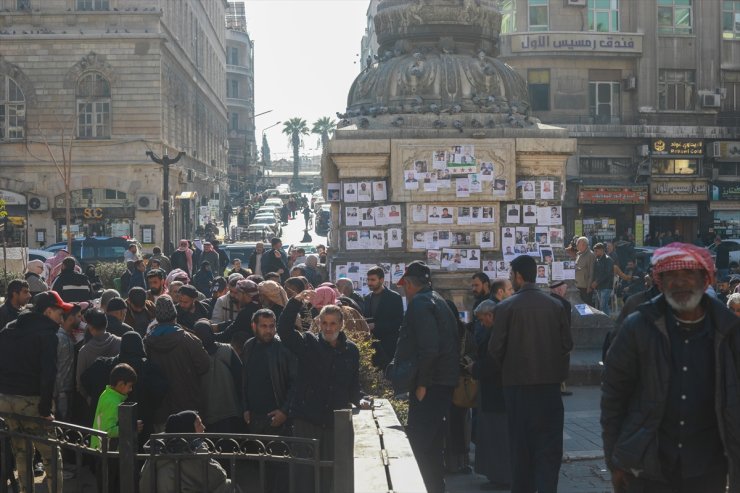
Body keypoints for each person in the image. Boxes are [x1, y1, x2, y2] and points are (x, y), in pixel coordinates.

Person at [602, 242, 740, 493]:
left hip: (709, 469)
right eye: (672, 276)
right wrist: (615, 459)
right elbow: (614, 397)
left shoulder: (728, 331)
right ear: (660, 282)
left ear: (706, 280)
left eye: (689, 274)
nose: (680, 282)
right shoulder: (638, 327)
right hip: (649, 468)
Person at [488, 255, 572, 493]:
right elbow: (567, 345)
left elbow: (495, 350)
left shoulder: (505, 307)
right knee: (548, 451)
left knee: (520, 452)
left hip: (517, 389)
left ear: (519, 276)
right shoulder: (555, 306)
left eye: (511, 274)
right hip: (549, 389)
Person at [277, 289, 371, 493]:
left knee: (332, 474)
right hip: (307, 419)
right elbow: (284, 330)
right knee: (305, 475)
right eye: (324, 323)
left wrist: (360, 399)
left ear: (341, 324)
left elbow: (353, 383)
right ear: (319, 324)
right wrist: (295, 302)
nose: (328, 328)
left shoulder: (351, 350)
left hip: (334, 422)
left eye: (333, 323)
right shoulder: (308, 343)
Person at [392, 261, 459, 493]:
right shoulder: (437, 299)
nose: (405, 292)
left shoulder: (420, 303)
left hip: (431, 384)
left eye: (405, 287)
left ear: (409, 284)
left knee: (420, 445)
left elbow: (429, 349)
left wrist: (422, 384)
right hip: (441, 380)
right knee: (431, 445)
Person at [0, 291, 69, 491]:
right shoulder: (47, 335)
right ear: (48, 312)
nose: (61, 318)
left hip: (6, 400)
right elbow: (48, 375)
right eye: (59, 312)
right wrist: (46, 410)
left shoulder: (9, 329)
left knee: (21, 451)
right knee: (51, 457)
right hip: (32, 401)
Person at [81, 331, 167, 443]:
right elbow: (161, 390)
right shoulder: (149, 369)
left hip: (107, 444)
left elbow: (85, 379)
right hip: (142, 426)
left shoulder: (103, 365)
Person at [144, 296, 210, 430]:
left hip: (161, 409)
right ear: (175, 316)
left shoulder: (147, 342)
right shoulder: (188, 339)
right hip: (189, 408)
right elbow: (204, 366)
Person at [139, 410, 236, 493]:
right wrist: (202, 448)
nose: (203, 427)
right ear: (188, 429)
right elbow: (219, 476)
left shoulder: (158, 452)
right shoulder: (191, 454)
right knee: (228, 485)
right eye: (199, 424)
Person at [470, 299, 511, 490]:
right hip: (497, 392)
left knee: (498, 438)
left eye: (482, 319)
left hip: (496, 392)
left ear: (490, 316)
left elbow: (492, 362)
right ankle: (499, 475)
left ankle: (501, 476)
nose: (481, 323)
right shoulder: (497, 332)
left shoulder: (496, 335)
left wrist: (475, 368)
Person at [90, 363, 141, 492]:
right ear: (120, 384)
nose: (131, 390)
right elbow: (108, 431)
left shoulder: (108, 394)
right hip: (106, 450)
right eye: (129, 386)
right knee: (109, 485)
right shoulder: (112, 402)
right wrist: (131, 428)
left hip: (103, 449)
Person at [192, 320, 244, 433]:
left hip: (206, 415)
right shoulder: (227, 350)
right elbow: (241, 379)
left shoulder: (194, 356)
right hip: (231, 412)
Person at [77, 308, 122, 408]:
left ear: (90, 327)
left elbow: (80, 384)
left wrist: (90, 399)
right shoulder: (120, 343)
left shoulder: (84, 352)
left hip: (96, 404)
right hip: (120, 400)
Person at [363, 266, 404, 369]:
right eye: (368, 280)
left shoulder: (394, 297)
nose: (369, 283)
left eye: (373, 280)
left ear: (381, 280)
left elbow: (398, 322)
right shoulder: (367, 298)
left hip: (388, 347)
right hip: (371, 347)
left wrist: (376, 326)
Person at [568, 236, 596, 305]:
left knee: (587, 306)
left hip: (585, 286)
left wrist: (589, 287)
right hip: (578, 285)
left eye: (578, 243)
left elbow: (591, 272)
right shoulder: (579, 254)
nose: (576, 245)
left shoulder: (590, 255)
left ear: (584, 244)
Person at [591, 243, 615, 316]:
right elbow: (595, 273)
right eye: (594, 251)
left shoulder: (608, 260)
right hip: (599, 286)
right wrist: (594, 282)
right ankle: (607, 321)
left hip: (606, 286)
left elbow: (606, 274)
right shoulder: (597, 259)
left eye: (596, 251)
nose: (595, 253)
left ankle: (608, 322)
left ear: (601, 250)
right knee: (602, 306)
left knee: (603, 306)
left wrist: (596, 282)